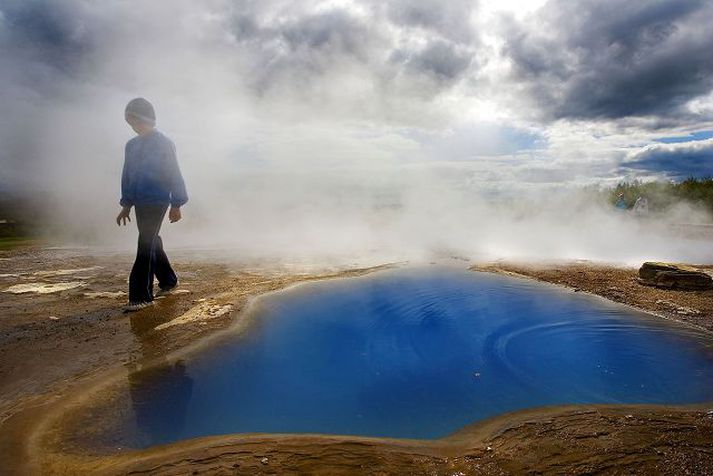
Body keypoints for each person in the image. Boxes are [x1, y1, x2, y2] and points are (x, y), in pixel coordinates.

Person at [116, 98, 188, 312]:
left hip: (158, 200)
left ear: (148, 118)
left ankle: (141, 295)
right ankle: (168, 280)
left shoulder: (164, 143)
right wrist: (126, 204)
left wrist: (177, 203)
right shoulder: (131, 145)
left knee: (145, 243)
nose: (133, 126)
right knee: (151, 241)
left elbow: (174, 173)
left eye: (136, 120)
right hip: (139, 201)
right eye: (130, 122)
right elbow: (127, 175)